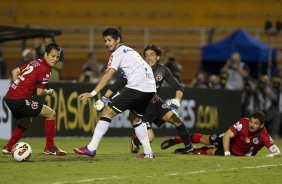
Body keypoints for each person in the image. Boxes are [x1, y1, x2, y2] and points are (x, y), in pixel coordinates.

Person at [73, 27, 156, 158]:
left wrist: (93, 93)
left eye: (110, 40)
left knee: (108, 111)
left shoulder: (118, 53)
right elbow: (122, 79)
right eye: (105, 40)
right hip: (150, 88)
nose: (107, 43)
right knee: (135, 118)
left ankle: (91, 148)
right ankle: (148, 152)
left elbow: (109, 74)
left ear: (118, 40)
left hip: (138, 86)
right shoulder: (130, 51)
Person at [97, 44, 194, 154]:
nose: (149, 58)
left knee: (176, 119)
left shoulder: (163, 71)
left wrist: (177, 99)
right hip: (142, 106)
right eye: (146, 55)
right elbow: (117, 84)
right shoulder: (136, 69)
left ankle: (189, 147)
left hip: (155, 102)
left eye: (152, 55)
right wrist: (104, 98)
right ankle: (135, 140)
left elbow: (178, 87)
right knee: (150, 137)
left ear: (158, 57)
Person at [2, 43, 66, 156]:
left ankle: (8, 147)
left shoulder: (35, 61)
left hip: (9, 97)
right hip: (19, 100)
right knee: (51, 114)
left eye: (57, 57)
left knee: (26, 121)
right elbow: (39, 92)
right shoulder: (45, 68)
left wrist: (18, 85)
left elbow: (14, 72)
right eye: (53, 56)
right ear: (46, 54)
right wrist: (48, 92)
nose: (55, 59)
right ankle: (50, 148)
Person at [161, 111, 281, 157]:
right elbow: (228, 135)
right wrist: (227, 152)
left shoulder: (264, 135)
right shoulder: (243, 122)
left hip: (235, 154)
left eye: (255, 123)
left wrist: (270, 155)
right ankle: (176, 140)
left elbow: (277, 153)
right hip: (226, 141)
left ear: (261, 126)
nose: (251, 125)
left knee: (206, 152)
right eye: (251, 121)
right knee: (204, 139)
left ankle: (186, 151)